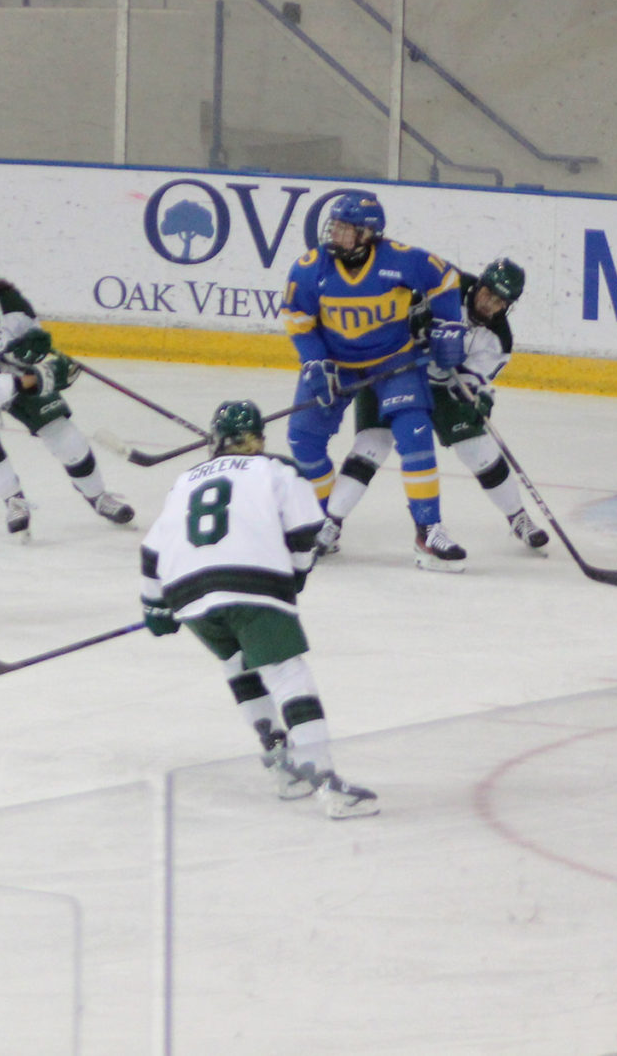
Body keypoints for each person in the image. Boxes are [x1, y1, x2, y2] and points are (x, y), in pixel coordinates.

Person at [141, 402, 375, 819]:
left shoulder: (183, 481)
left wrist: (155, 605)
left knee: (238, 663)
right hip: (250, 583)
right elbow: (307, 532)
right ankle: (327, 783)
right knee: (287, 673)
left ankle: (284, 769)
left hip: (187, 591)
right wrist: (297, 574)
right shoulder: (278, 469)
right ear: (259, 439)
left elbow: (151, 551)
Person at [278, 193, 470, 571]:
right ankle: (322, 521)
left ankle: (428, 529)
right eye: (333, 226)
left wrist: (448, 325)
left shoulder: (400, 259)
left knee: (415, 431)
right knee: (303, 439)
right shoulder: (308, 268)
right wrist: (314, 361)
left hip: (394, 361)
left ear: (368, 234)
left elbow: (446, 278)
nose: (334, 234)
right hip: (335, 363)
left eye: (344, 229)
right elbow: (296, 315)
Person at [326, 257, 546, 557]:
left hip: (442, 387)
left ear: (507, 306)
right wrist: (410, 324)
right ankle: (330, 523)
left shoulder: (498, 339)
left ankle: (518, 516)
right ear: (479, 284)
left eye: (499, 301)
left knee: (478, 449)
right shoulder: (445, 285)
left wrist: (476, 397)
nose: (489, 303)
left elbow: (471, 381)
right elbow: (389, 304)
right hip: (395, 369)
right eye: (487, 293)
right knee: (372, 444)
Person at [0, 255, 133, 538]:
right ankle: (13, 500)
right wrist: (37, 379)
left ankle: (98, 497)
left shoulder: (11, 304)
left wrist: (39, 358)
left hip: (6, 371)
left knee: (62, 431)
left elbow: (36, 339)